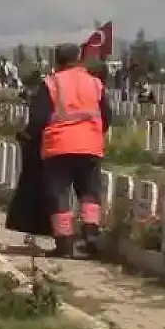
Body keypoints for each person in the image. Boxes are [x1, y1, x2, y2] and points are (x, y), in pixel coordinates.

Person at [23, 43, 111, 257]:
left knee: (59, 194)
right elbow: (107, 115)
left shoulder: (52, 83)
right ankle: (91, 235)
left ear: (57, 60)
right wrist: (94, 133)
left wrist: (29, 136)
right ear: (79, 59)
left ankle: (64, 244)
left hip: (59, 147)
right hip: (90, 146)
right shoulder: (95, 83)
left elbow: (38, 118)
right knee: (90, 192)